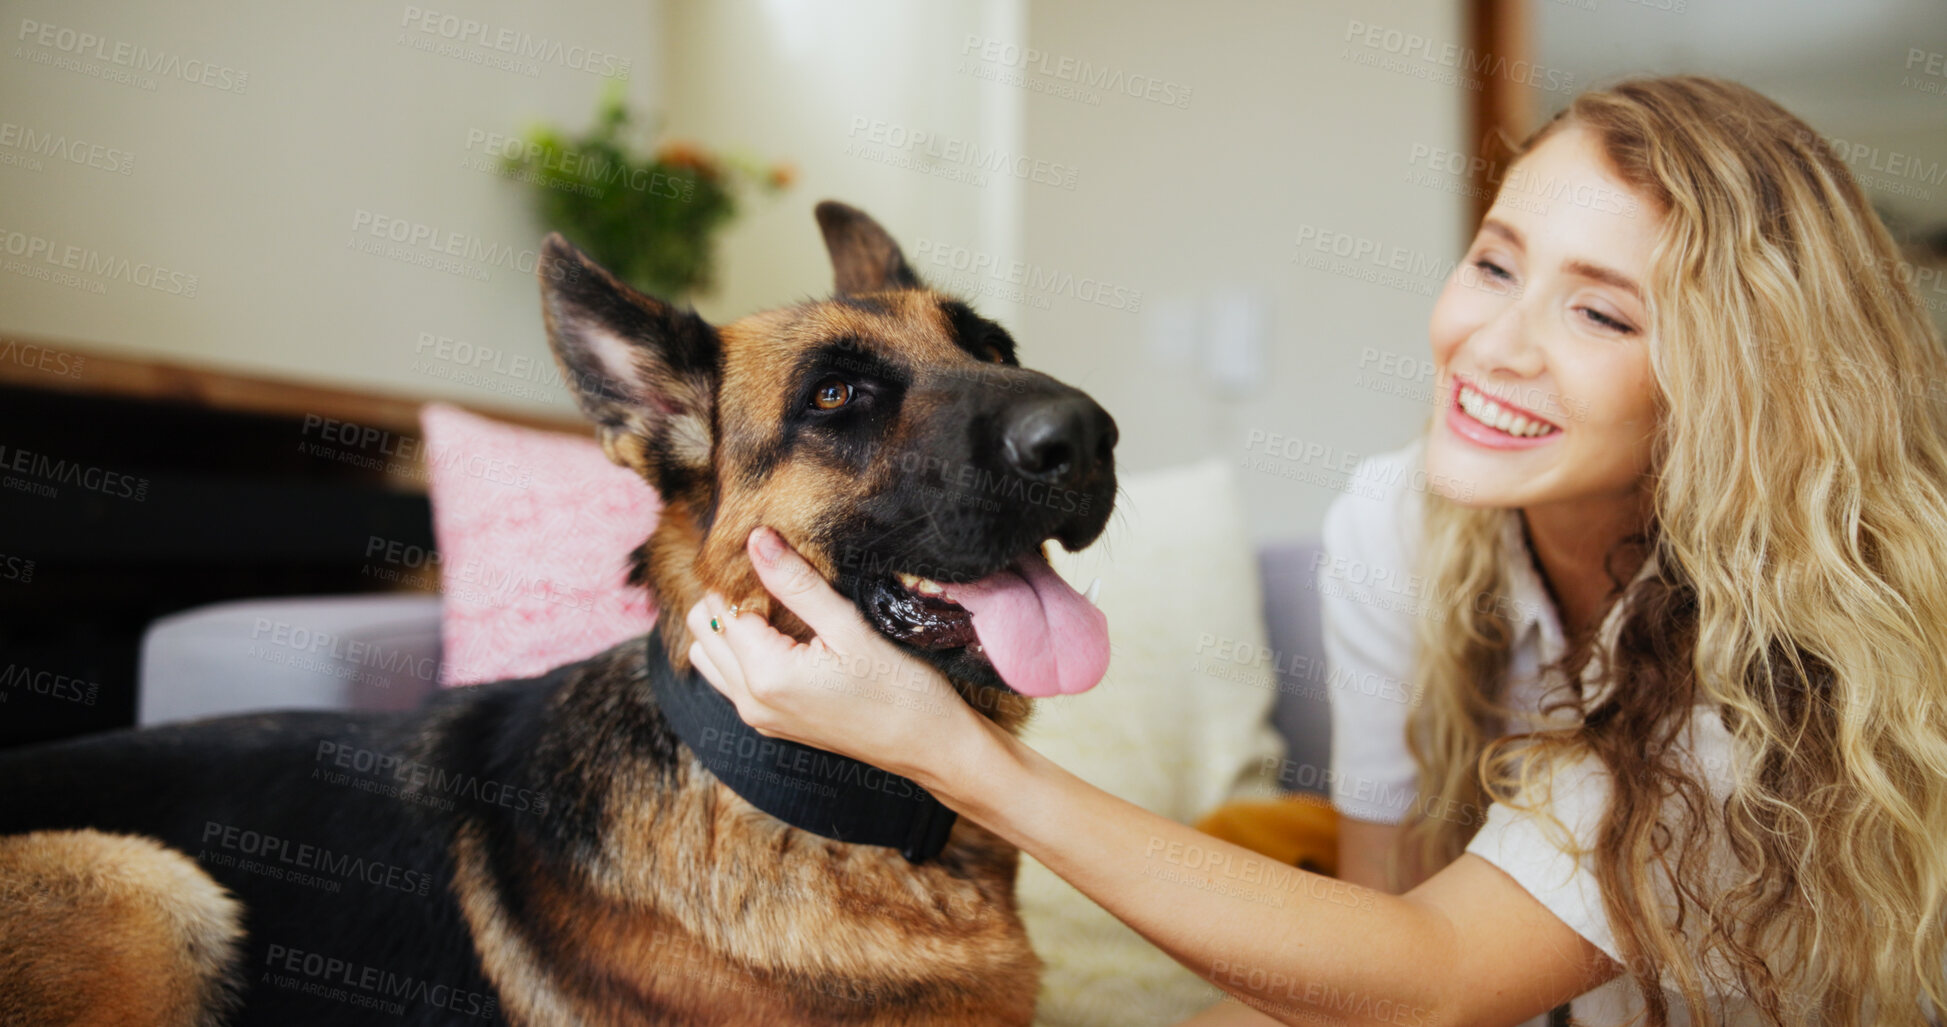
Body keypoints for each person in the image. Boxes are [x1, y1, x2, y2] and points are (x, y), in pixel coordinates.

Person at [684, 76, 1947, 1026]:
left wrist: (956, 756)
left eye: (1602, 310)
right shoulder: (1397, 527)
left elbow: (1440, 977)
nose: (1497, 344)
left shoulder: (1769, 653)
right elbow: (1377, 930)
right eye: (1496, 262)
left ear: (1741, 384)